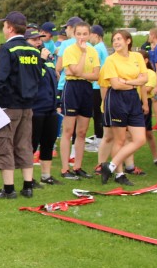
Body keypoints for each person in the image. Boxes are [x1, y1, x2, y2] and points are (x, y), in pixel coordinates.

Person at [0, 11, 42, 199]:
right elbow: (38, 77)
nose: (3, 29)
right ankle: (27, 186)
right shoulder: (33, 50)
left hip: (8, 106)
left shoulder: (7, 49)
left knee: (3, 144)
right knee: (24, 144)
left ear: (10, 28)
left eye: (4, 25)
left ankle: (8, 189)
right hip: (27, 106)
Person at [98, 30, 148, 185]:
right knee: (119, 140)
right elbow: (115, 85)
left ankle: (110, 166)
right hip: (117, 99)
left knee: (140, 139)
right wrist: (134, 82)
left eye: (119, 39)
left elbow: (145, 79)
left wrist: (126, 81)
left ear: (128, 41)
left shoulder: (137, 57)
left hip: (133, 98)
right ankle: (119, 174)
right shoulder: (111, 60)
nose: (116, 42)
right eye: (114, 40)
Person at [58, 22, 100, 180]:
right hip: (72, 88)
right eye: (79, 34)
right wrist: (82, 54)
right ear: (74, 35)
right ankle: (64, 168)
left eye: (85, 34)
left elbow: (96, 75)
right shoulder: (69, 50)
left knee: (82, 131)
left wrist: (79, 74)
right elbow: (74, 70)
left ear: (89, 35)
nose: (82, 37)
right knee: (68, 130)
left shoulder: (93, 51)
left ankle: (78, 166)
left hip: (87, 89)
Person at [26, 29, 63, 186]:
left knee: (48, 142)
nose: (38, 42)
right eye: (34, 40)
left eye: (39, 39)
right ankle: (29, 178)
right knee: (32, 144)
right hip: (36, 108)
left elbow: (53, 79)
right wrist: (40, 60)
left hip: (50, 107)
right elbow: (31, 79)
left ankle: (46, 175)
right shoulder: (28, 59)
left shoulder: (47, 58)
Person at [85, 25, 108, 153]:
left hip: (97, 85)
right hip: (100, 84)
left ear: (96, 35)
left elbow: (93, 66)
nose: (89, 38)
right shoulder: (102, 47)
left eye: (90, 35)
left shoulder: (97, 48)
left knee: (97, 114)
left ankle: (99, 142)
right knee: (98, 113)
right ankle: (98, 139)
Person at [141, 50, 157, 166]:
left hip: (144, 102)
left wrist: (131, 85)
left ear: (146, 60)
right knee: (128, 133)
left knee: (148, 132)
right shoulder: (134, 72)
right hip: (132, 102)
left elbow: (148, 89)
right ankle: (127, 161)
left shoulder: (150, 73)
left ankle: (156, 158)